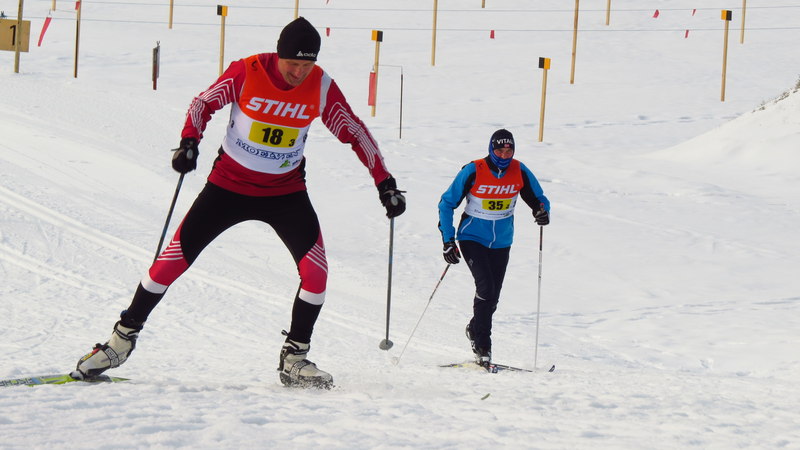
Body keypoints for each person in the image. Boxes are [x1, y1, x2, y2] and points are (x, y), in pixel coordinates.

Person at [72, 17, 406, 389]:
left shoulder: (321, 86)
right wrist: (189, 142)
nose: (299, 72)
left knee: (316, 274)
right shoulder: (248, 71)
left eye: (307, 65)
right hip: (227, 189)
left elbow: (355, 131)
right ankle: (120, 342)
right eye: (292, 63)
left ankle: (295, 358)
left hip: (285, 194)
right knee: (168, 263)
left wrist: (385, 183)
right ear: (278, 55)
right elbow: (203, 104)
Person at [437, 129, 549, 368]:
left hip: (502, 241)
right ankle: (483, 348)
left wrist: (542, 211)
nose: (504, 155)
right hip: (472, 237)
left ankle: (474, 327)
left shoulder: (519, 170)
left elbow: (538, 198)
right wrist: (448, 240)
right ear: (491, 149)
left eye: (509, 150)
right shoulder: (474, 170)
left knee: (493, 298)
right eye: (499, 150)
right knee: (486, 288)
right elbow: (446, 204)